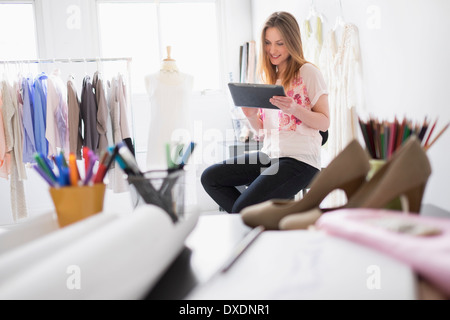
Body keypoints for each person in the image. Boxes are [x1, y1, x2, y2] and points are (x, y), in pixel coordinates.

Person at [201, 11, 330, 213]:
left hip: (301, 159)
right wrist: (250, 115)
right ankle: (257, 219)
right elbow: (262, 132)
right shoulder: (269, 78)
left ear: (292, 42)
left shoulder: (308, 72)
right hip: (270, 154)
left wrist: (294, 108)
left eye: (279, 43)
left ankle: (250, 218)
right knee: (210, 178)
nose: (272, 50)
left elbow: (324, 123)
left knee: (242, 208)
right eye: (268, 43)